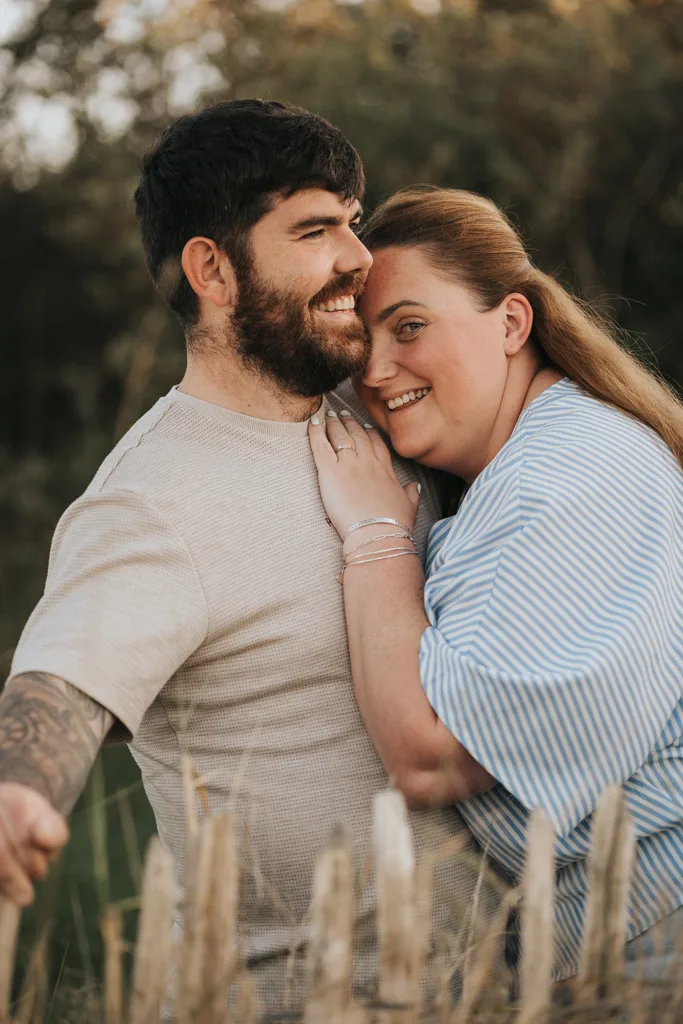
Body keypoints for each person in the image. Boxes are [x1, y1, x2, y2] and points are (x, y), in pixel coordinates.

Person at [0, 108, 497, 1011]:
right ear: (212, 269)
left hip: (509, 985)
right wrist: (19, 790)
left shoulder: (382, 394)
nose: (357, 255)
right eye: (314, 229)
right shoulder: (151, 502)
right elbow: (62, 679)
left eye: (354, 219)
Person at [308, 185, 683, 982]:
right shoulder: (536, 462)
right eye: (358, 344)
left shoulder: (568, 475)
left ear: (512, 323)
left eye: (409, 326)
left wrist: (375, 538)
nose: (374, 371)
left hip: (655, 935)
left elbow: (434, 758)